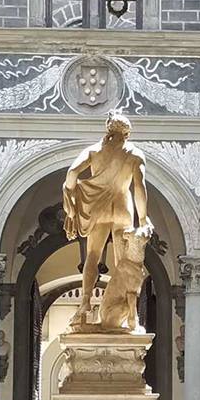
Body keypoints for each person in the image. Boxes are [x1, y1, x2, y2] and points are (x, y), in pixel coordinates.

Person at [62, 111, 152, 327]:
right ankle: (129, 310)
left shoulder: (94, 151)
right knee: (124, 262)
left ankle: (85, 303)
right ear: (127, 134)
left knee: (92, 255)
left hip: (97, 208)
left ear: (109, 131)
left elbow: (72, 173)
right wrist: (143, 218)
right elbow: (139, 187)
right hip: (123, 206)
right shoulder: (135, 154)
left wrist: (71, 204)